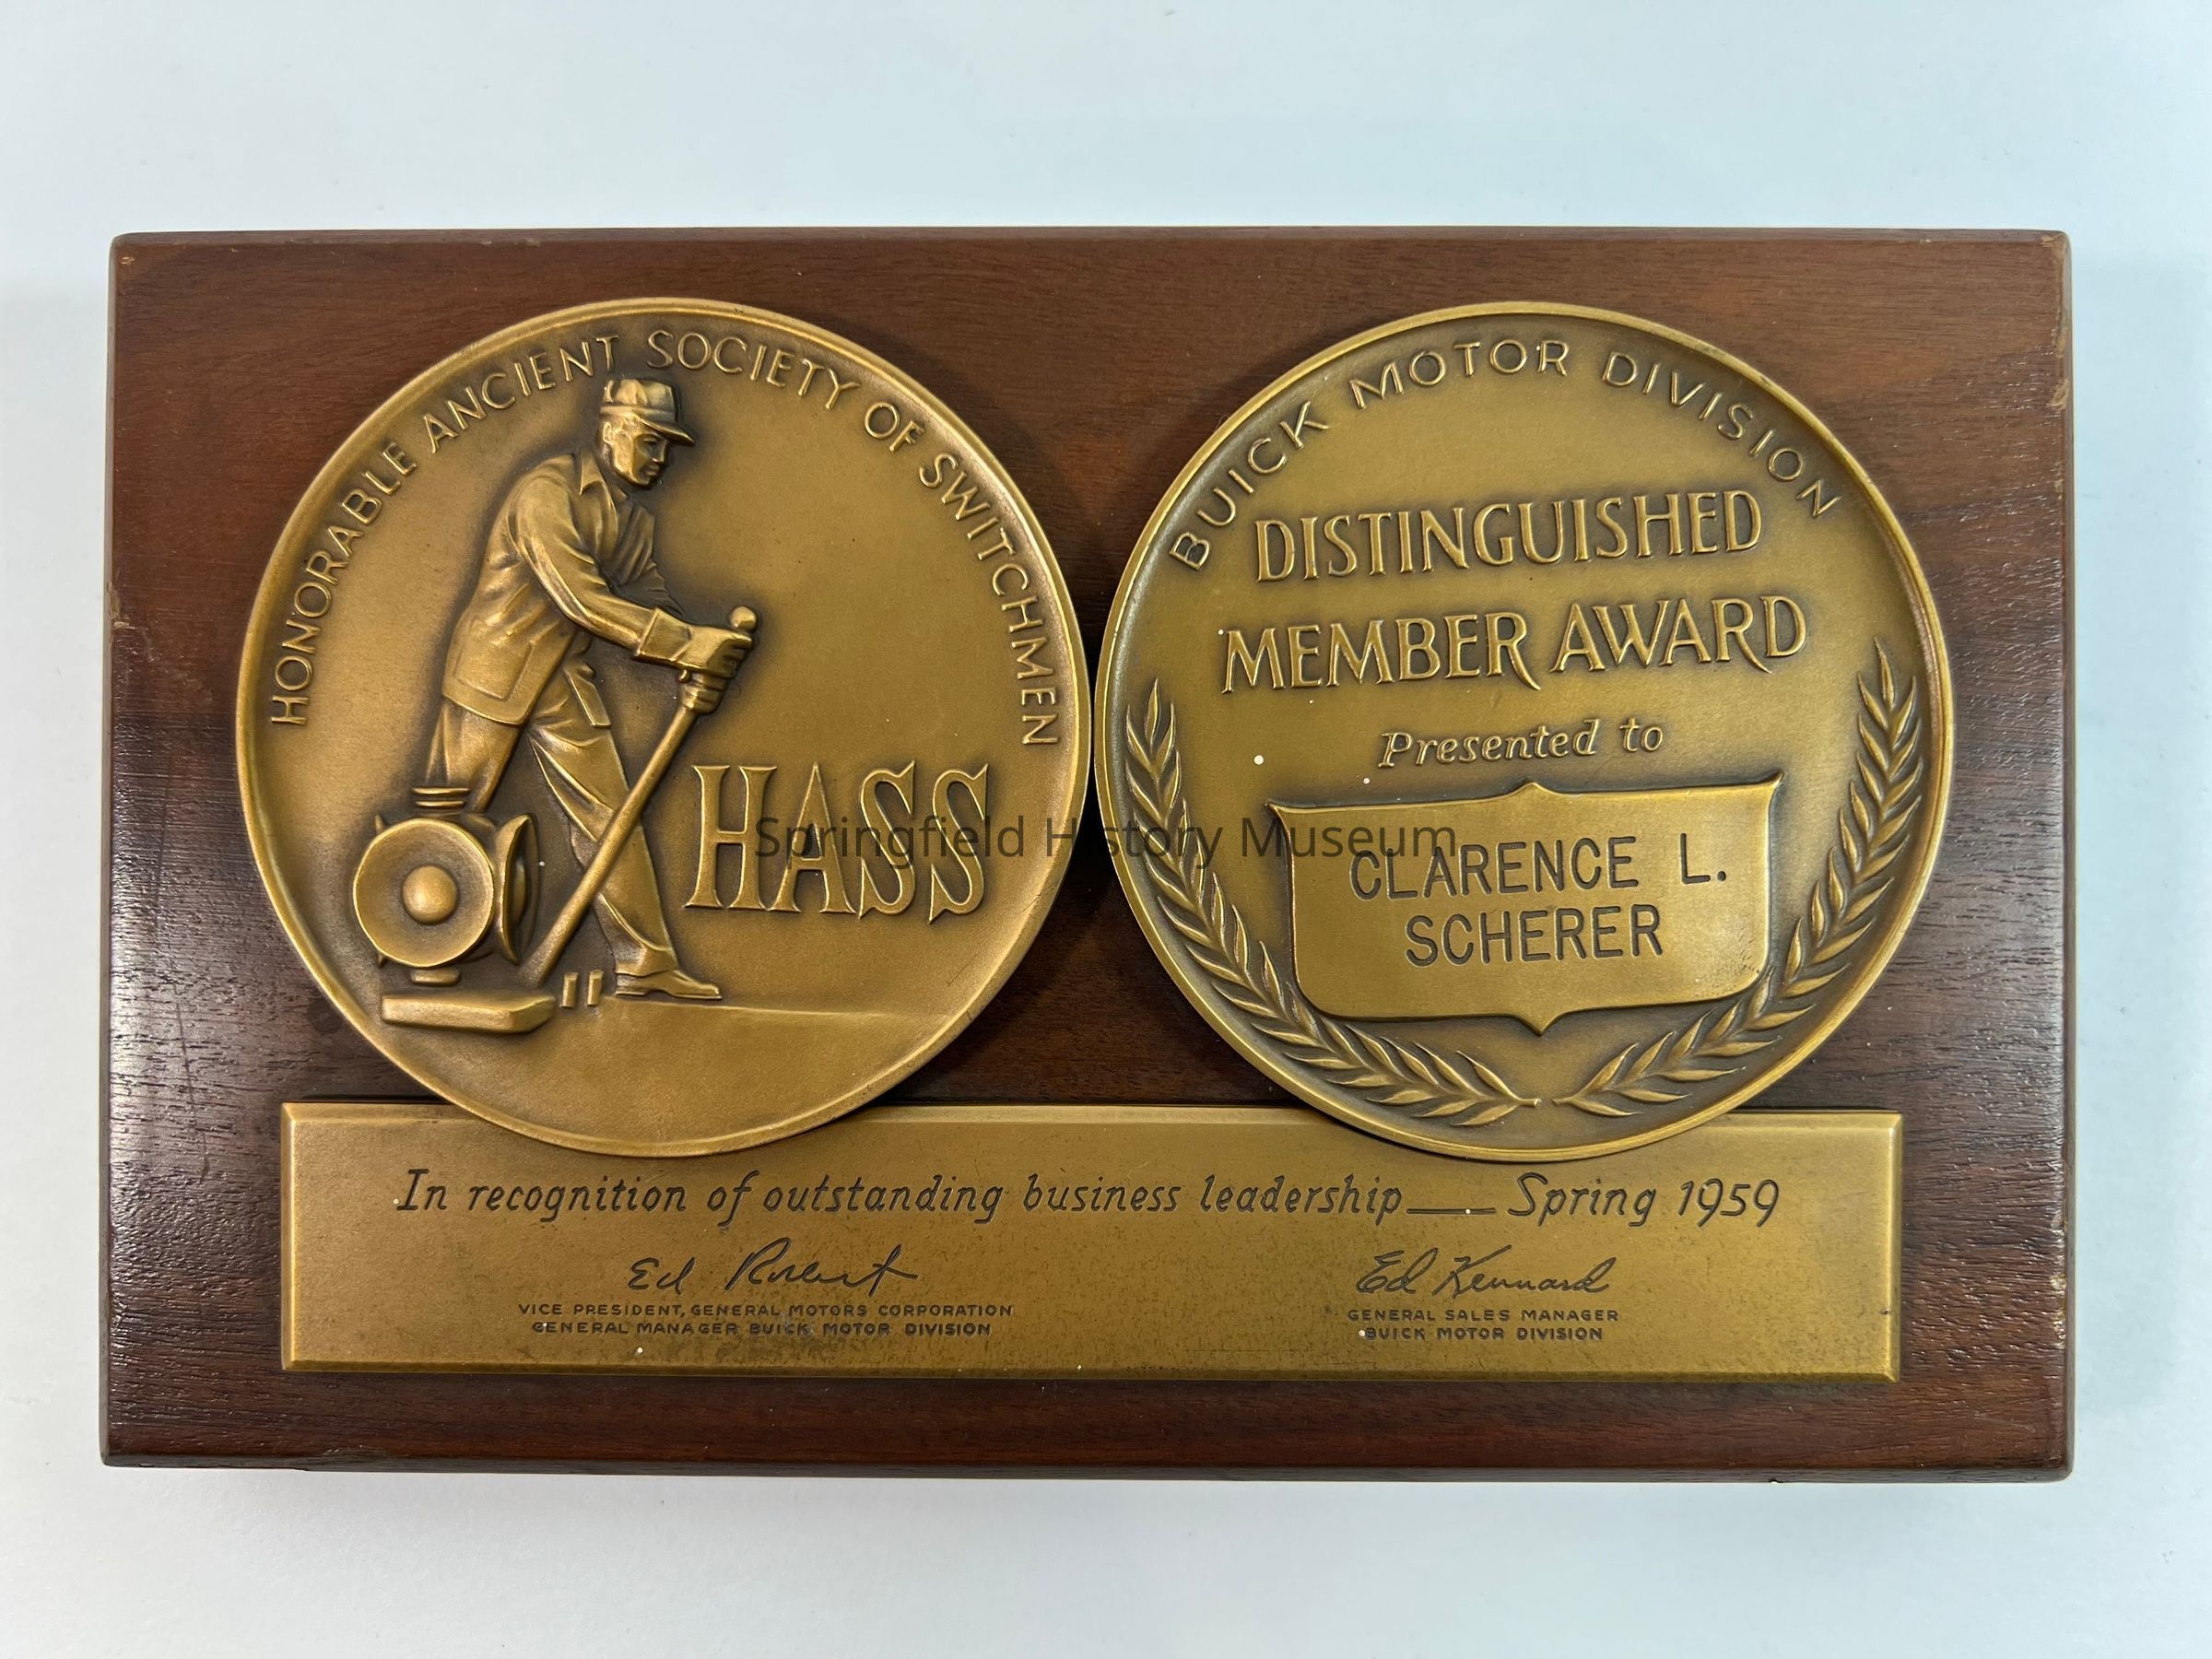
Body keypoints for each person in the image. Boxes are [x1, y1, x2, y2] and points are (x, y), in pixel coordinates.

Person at [418, 377, 749, 1000]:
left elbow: (647, 596)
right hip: (496, 672)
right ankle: (423, 947)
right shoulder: (546, 493)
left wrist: (705, 649)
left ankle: (645, 962)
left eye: (666, 447)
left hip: (563, 677)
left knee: (611, 813)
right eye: (649, 441)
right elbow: (580, 599)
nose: (659, 458)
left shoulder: (632, 520)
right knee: (450, 818)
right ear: (610, 429)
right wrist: (685, 644)